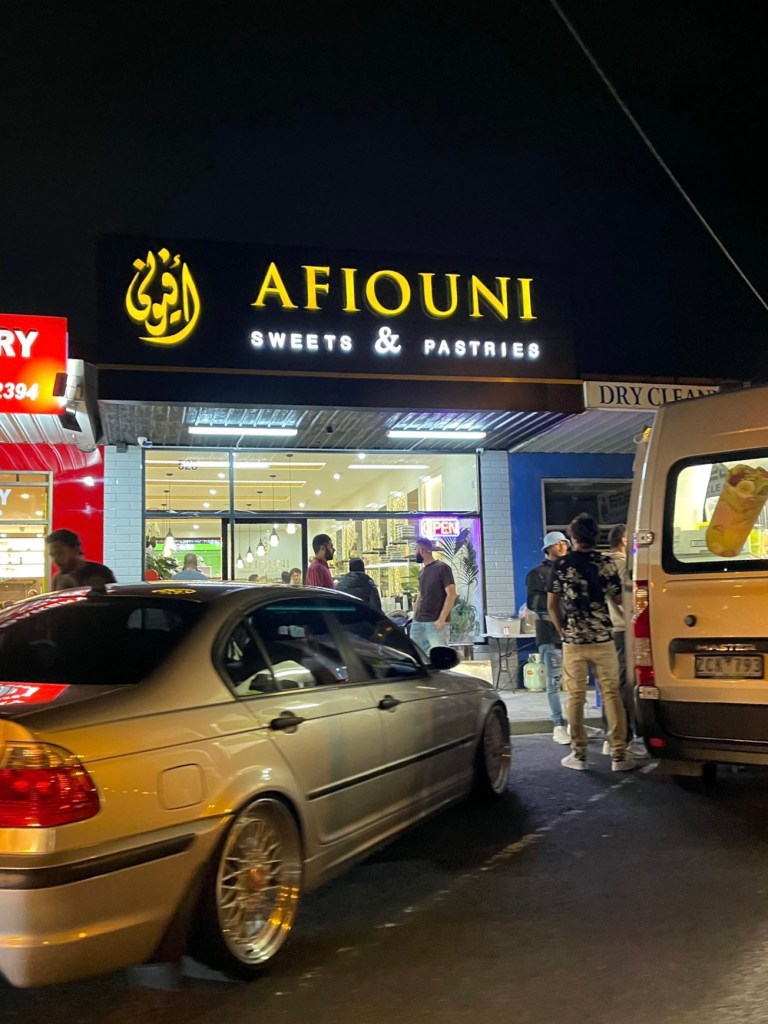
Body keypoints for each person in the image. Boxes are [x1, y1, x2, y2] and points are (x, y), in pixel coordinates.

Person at [547, 513, 636, 772]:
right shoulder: (605, 562)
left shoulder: (561, 565)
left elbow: (552, 605)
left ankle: (579, 754)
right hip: (603, 638)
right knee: (611, 694)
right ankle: (618, 755)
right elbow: (618, 599)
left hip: (574, 640)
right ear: (595, 536)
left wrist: (563, 631)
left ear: (573, 537)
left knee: (575, 697)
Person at [602, 524, 649, 759]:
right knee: (623, 684)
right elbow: (625, 599)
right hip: (621, 628)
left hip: (604, 630)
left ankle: (611, 736)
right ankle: (623, 738)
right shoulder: (622, 564)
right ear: (623, 540)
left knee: (609, 684)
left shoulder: (601, 563)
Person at [526, 531, 571, 746]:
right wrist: (556, 598)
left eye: (564, 543)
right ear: (548, 548)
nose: (562, 546)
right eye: (557, 543)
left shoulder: (570, 570)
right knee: (554, 681)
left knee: (575, 683)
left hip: (572, 634)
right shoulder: (537, 573)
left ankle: (574, 724)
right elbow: (533, 602)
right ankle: (558, 724)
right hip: (549, 633)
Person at [410, 537, 457, 655]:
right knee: (417, 656)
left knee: (439, 656)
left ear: (422, 550)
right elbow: (421, 595)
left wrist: (442, 619)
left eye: (415, 549)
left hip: (435, 622)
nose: (414, 553)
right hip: (418, 622)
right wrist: (414, 616)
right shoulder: (422, 572)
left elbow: (451, 594)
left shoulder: (442, 568)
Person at [46, 529, 116, 591]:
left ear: (75, 550)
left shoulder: (101, 572)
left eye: (59, 553)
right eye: (52, 555)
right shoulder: (58, 579)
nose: (55, 560)